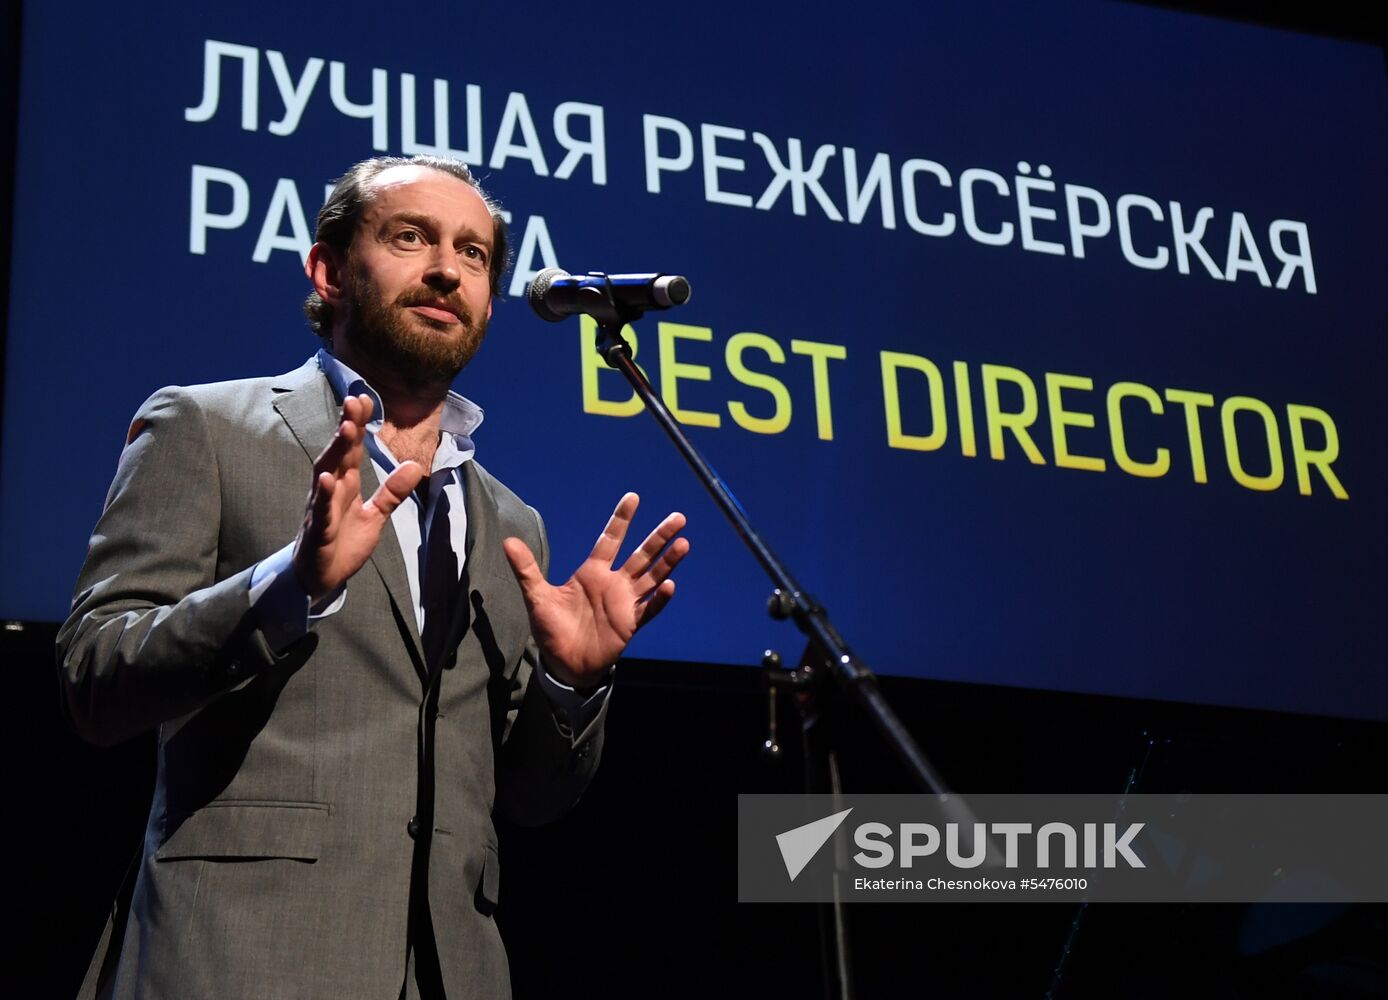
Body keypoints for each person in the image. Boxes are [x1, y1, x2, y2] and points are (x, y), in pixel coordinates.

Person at [56, 154, 689, 1000]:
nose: (444, 268)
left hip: (450, 972)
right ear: (328, 269)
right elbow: (95, 680)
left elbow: (532, 800)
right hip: (237, 958)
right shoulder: (206, 427)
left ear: (489, 302)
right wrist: (290, 585)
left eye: (472, 254)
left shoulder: (514, 525)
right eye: (410, 237)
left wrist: (573, 685)